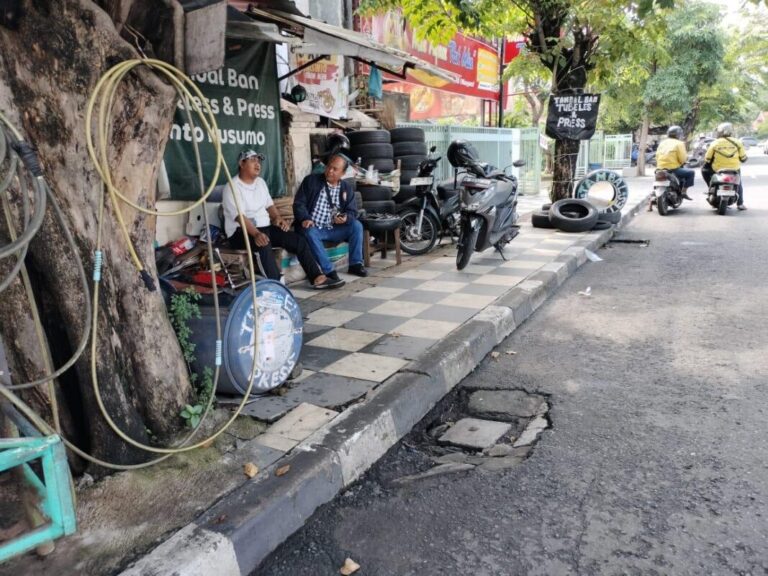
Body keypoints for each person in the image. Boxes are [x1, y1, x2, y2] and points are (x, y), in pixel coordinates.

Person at [222, 149, 343, 290]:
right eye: (253, 160)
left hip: (264, 228)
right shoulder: (232, 187)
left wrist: (278, 218)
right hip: (240, 232)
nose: (258, 164)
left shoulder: (260, 183)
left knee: (298, 240)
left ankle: (317, 277)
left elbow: (269, 205)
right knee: (263, 243)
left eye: (259, 161)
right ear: (242, 164)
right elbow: (240, 217)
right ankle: (276, 285)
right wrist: (256, 234)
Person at [293, 154, 368, 280]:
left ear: (342, 173)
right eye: (329, 167)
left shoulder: (346, 188)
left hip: (333, 228)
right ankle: (329, 271)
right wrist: (305, 218)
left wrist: (345, 218)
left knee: (356, 226)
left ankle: (355, 264)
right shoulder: (311, 181)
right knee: (310, 232)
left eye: (335, 169)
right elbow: (299, 203)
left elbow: (352, 212)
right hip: (313, 227)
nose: (330, 171)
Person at [703, 122, 748, 210]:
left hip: (718, 169)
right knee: (739, 183)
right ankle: (740, 204)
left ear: (720, 132)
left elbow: (707, 159)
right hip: (734, 169)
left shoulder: (715, 143)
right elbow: (743, 158)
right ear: (731, 131)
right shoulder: (738, 142)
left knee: (704, 170)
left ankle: (711, 188)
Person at [649, 125, 694, 210]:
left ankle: (651, 201)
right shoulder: (679, 143)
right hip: (673, 169)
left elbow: (657, 155)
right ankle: (684, 191)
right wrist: (683, 162)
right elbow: (682, 159)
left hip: (660, 168)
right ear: (678, 135)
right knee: (691, 173)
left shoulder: (662, 143)